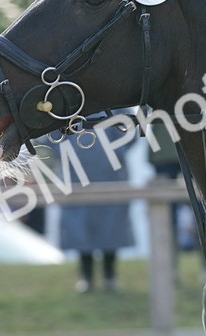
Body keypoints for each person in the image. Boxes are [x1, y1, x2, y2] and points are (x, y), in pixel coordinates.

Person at [55, 125, 136, 293]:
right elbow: (51, 134)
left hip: (111, 174)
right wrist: (66, 154)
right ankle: (86, 277)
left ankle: (110, 276)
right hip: (75, 175)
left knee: (111, 227)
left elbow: (130, 129)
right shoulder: (66, 100)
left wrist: (114, 152)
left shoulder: (115, 101)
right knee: (79, 226)